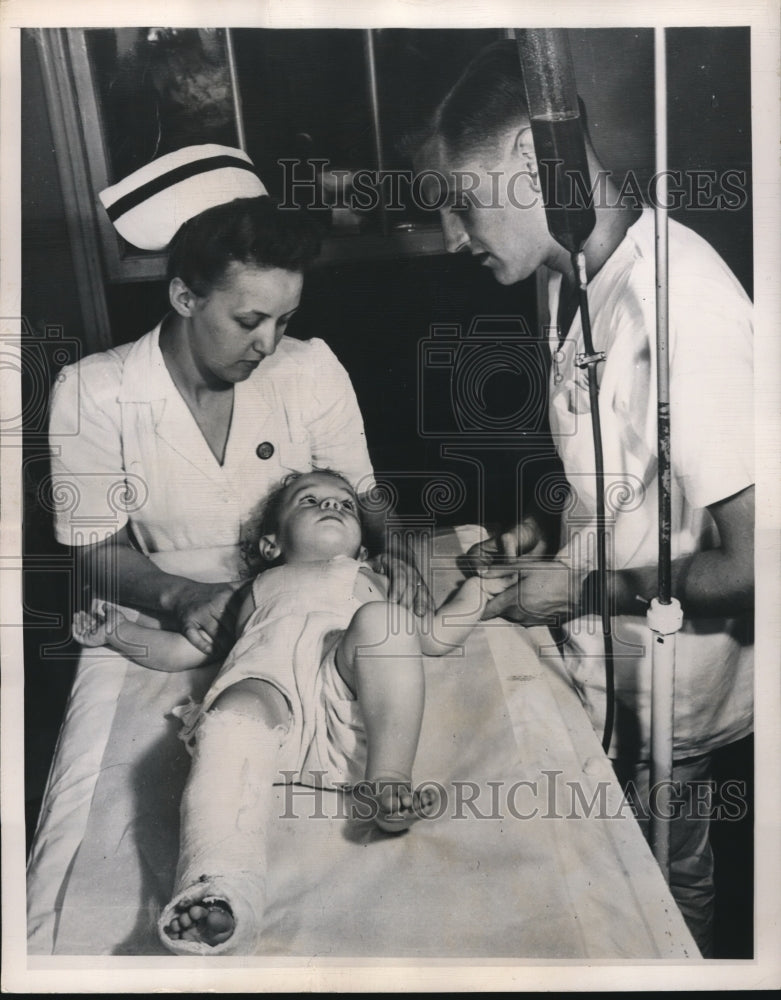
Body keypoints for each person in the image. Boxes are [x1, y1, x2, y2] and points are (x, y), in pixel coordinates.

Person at [411, 40, 754, 956]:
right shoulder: (574, 282)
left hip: (669, 690)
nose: (451, 237)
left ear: (529, 163)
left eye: (459, 202)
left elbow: (757, 564)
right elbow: (619, 472)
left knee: (656, 904)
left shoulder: (682, 304)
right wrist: (540, 533)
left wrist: (579, 592)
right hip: (601, 660)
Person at [73, 468, 511, 953]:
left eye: (346, 504)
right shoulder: (249, 593)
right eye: (310, 501)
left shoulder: (371, 578)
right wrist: (118, 634)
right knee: (230, 716)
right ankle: (220, 890)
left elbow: (431, 635)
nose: (333, 507)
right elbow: (183, 650)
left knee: (385, 623)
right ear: (270, 546)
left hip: (348, 719)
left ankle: (389, 781)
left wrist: (478, 593)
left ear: (363, 545)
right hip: (267, 713)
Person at [48, 144, 428, 662]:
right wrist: (182, 597)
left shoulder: (310, 368)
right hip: (174, 609)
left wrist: (400, 551)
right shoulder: (92, 392)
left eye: (285, 320)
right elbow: (96, 550)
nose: (268, 345)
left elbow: (365, 496)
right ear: (185, 298)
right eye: (249, 322)